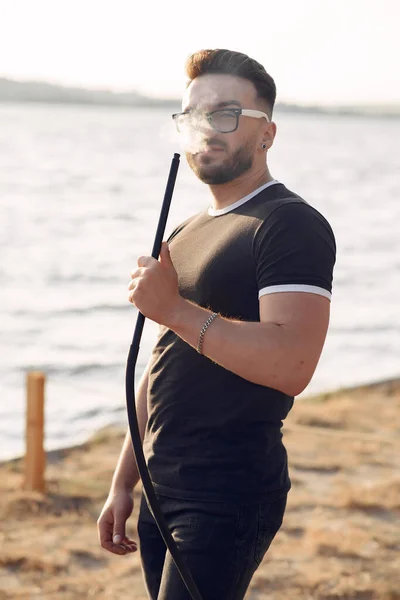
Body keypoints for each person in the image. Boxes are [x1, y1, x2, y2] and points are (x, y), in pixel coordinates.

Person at [97, 48, 336, 600]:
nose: (206, 129)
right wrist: (123, 481)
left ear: (267, 133)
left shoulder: (288, 223)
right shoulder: (185, 229)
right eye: (193, 116)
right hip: (163, 486)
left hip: (227, 491)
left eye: (226, 114)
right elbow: (162, 365)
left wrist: (174, 309)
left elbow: (292, 363)